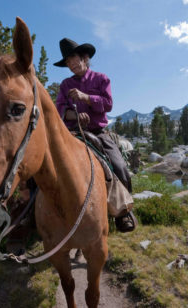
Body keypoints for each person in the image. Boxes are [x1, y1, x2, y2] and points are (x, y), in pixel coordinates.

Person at [54, 38, 136, 233]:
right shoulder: (65, 85)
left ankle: (123, 212)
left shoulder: (101, 79)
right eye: (68, 63)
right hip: (73, 132)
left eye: (74, 60)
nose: (72, 65)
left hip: (98, 132)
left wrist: (86, 98)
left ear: (85, 58)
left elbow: (108, 104)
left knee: (120, 167)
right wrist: (73, 114)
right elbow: (59, 109)